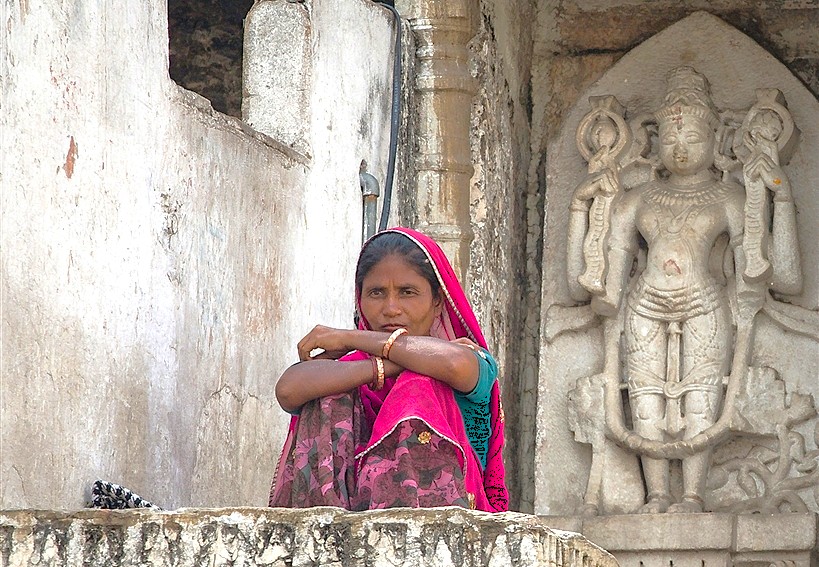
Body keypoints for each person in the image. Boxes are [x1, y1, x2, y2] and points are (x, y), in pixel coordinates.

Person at [582, 67, 800, 513]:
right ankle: (657, 495)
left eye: (693, 138)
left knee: (702, 399)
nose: (680, 148)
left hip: (705, 303)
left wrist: (780, 195)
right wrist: (583, 206)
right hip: (644, 306)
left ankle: (693, 496)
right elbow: (601, 273)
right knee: (644, 403)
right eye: (671, 138)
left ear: (716, 138)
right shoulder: (636, 199)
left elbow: (780, 278)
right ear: (655, 141)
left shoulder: (728, 197)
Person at [269, 227, 508, 512]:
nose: (391, 308)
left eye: (407, 292)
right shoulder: (355, 368)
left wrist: (349, 337)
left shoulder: (465, 357)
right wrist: (386, 364)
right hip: (346, 522)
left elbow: (455, 365)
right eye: (376, 293)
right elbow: (289, 389)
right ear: (361, 299)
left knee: (419, 385)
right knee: (328, 394)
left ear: (437, 301)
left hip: (444, 528)